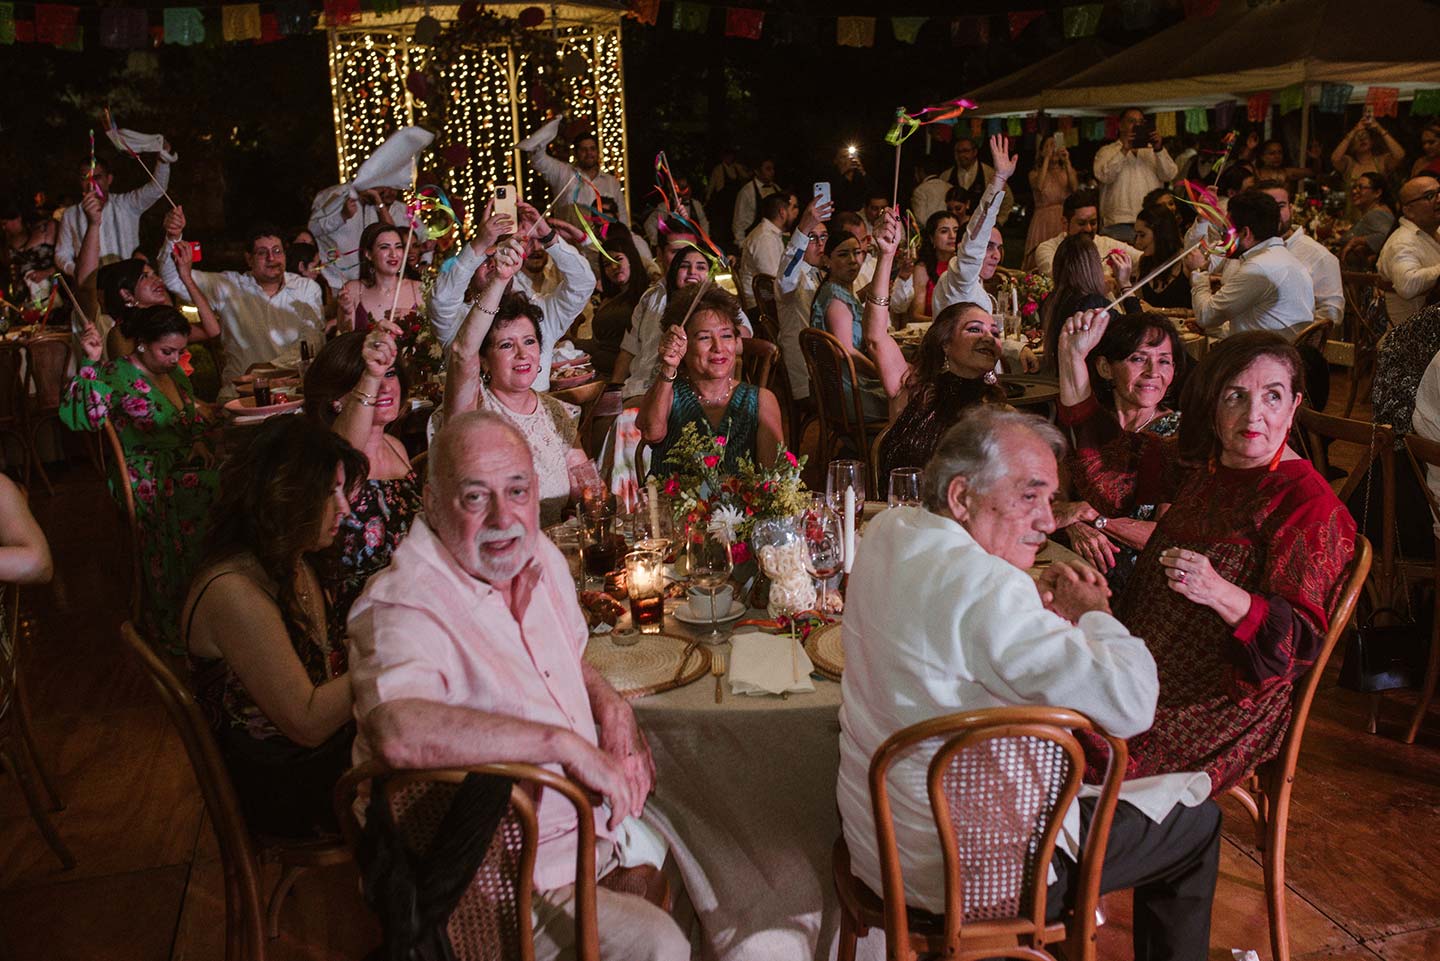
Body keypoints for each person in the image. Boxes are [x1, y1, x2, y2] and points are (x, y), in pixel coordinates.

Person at [839, 404, 1219, 958]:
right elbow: (1133, 704)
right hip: (966, 876)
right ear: (962, 497)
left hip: (879, 847)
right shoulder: (991, 589)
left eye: (1049, 498)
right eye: (1029, 496)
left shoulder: (888, 530)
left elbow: (964, 631)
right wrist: (1095, 614)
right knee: (1198, 822)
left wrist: (1033, 622)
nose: (1048, 519)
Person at [348, 412, 690, 961]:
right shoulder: (401, 606)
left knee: (709, 847)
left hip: (589, 833)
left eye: (518, 490)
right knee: (661, 947)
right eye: (475, 498)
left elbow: (569, 658)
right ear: (432, 503)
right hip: (499, 881)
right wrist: (561, 743)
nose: (504, 517)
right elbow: (396, 731)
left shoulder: (539, 557)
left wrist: (610, 706)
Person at [1058, 312, 1356, 794]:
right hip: (1142, 667)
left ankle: (1082, 855)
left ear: (1295, 404)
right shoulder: (1207, 464)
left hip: (1211, 704)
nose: (1253, 414)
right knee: (1021, 700)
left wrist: (1221, 592)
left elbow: (1298, 643)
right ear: (1213, 404)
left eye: (1272, 396)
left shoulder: (1308, 504)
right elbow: (1109, 476)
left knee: (1057, 745)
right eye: (1236, 395)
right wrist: (1071, 358)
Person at [184, 416, 364, 838]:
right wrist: (392, 659)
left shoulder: (294, 557)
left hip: (319, 757)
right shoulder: (234, 591)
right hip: (286, 787)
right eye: (329, 492)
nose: (345, 507)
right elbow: (308, 723)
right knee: (446, 771)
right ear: (286, 497)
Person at [63, 305, 218, 653]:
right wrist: (90, 361)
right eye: (167, 351)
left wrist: (197, 441)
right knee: (218, 490)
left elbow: (188, 417)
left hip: (180, 464)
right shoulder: (115, 374)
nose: (174, 359)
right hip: (143, 474)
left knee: (236, 479)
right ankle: (184, 614)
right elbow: (82, 416)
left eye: (180, 351)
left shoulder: (173, 371)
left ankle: (219, 601)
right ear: (143, 344)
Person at [444, 241, 592, 525]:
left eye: (529, 341)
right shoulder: (473, 408)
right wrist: (500, 279)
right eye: (506, 346)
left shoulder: (556, 412)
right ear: (484, 361)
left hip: (552, 547)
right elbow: (463, 351)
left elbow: (584, 485)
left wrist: (601, 501)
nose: (523, 354)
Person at [303, 329, 422, 642]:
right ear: (336, 399)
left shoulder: (396, 446)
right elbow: (347, 455)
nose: (385, 384)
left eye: (391, 373)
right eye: (368, 376)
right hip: (361, 624)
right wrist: (371, 374)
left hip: (412, 608)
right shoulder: (328, 459)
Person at [1056, 313, 1185, 592]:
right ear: (1105, 367)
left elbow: (1164, 538)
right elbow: (1055, 498)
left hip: (1141, 579)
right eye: (1138, 359)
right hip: (1072, 559)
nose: (1153, 372)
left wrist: (1092, 517)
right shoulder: (1089, 426)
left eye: (1164, 361)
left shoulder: (1178, 437)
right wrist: (1073, 524)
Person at [159, 209, 325, 398]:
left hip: (293, 392)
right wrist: (173, 237)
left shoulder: (307, 289)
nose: (272, 258)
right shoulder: (229, 285)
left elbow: (313, 341)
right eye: (262, 253)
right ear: (249, 259)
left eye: (277, 251)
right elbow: (173, 280)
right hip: (241, 396)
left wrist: (267, 369)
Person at [639, 285, 783, 474]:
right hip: (668, 502)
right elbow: (651, 434)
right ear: (683, 345)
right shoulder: (669, 394)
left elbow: (774, 479)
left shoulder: (760, 401)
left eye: (726, 336)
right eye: (705, 337)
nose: (718, 347)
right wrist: (668, 367)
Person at [875, 302, 1007, 481]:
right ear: (946, 343)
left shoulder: (998, 414)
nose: (989, 338)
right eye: (975, 329)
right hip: (899, 506)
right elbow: (875, 335)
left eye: (995, 333)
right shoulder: (915, 392)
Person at [809, 210, 909, 421]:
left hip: (852, 387)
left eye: (857, 252)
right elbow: (848, 352)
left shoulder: (838, 289)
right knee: (912, 399)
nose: (853, 260)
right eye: (843, 255)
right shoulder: (836, 299)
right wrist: (882, 372)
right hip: (850, 394)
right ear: (826, 260)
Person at [1185, 190, 1314, 338]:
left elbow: (1206, 316)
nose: (1223, 236)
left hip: (1264, 356)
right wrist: (1212, 329)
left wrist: (1199, 270)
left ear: (1246, 233)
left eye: (1228, 230)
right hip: (1276, 351)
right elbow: (1258, 324)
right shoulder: (1285, 258)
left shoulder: (1258, 267)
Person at [612, 246, 716, 404]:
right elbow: (628, 349)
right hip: (643, 388)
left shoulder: (717, 300)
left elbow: (742, 335)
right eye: (684, 266)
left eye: (700, 267)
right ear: (674, 271)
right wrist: (613, 390)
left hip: (691, 394)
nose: (692, 272)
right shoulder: (651, 297)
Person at [931, 134, 1015, 317]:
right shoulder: (961, 277)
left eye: (999, 248)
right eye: (988, 246)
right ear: (962, 246)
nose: (997, 256)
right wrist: (999, 179)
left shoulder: (974, 282)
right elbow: (974, 243)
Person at [55, 148, 174, 275]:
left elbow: (156, 189)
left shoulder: (126, 204)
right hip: (94, 286)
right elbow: (62, 254)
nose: (91, 184)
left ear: (109, 179)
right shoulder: (70, 215)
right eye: (85, 178)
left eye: (97, 177)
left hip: (128, 280)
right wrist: (78, 272)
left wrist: (163, 158)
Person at [1254, 181, 1343, 324]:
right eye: (1265, 207)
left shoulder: (1318, 255)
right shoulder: (1247, 247)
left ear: (1291, 209)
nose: (1273, 213)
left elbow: (1331, 315)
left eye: (1280, 206)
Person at [519, 118, 629, 226]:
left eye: (592, 149)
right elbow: (537, 159)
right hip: (569, 240)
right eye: (583, 150)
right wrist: (548, 131)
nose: (589, 153)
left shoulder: (611, 182)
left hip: (604, 240)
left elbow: (622, 217)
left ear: (597, 152)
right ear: (576, 153)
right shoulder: (562, 172)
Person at [1093, 109, 1179, 244]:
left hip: (1152, 222)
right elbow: (1104, 176)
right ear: (1120, 125)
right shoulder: (1107, 151)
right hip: (1119, 224)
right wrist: (1124, 150)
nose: (1136, 126)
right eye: (1132, 121)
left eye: (1140, 122)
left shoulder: (1152, 151)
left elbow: (1170, 175)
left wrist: (1158, 149)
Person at [776, 198, 832, 401]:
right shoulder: (793, 277)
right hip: (807, 374)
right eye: (812, 238)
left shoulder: (824, 275)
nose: (820, 244)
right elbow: (785, 276)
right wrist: (803, 228)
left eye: (824, 237)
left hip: (829, 365)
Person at [1038, 235, 1113, 372]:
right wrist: (1125, 284)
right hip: (1090, 385)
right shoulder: (1095, 304)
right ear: (1094, 267)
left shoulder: (1049, 302)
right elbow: (1139, 337)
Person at [1027, 189, 1141, 278]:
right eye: (1081, 223)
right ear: (1065, 223)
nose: (1088, 229)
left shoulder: (1106, 243)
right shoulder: (1047, 248)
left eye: (1093, 223)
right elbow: (1060, 277)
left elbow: (1142, 260)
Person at [335, 222, 424, 334]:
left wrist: (414, 316)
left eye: (398, 247)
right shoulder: (353, 289)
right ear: (368, 254)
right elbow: (344, 339)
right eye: (384, 247)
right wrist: (346, 312)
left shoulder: (418, 289)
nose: (394, 254)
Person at [584, 227, 649, 378]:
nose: (614, 267)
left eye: (618, 259)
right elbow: (598, 344)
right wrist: (570, 341)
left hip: (626, 377)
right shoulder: (608, 299)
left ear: (631, 259)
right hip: (599, 373)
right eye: (607, 264)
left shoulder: (646, 296)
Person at [1376, 175, 1440, 328]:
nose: (1439, 199)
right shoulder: (1402, 242)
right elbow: (1407, 285)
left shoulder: (1435, 231)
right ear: (1408, 210)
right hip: (1412, 342)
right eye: (1430, 196)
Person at [1113, 204, 1192, 310]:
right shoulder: (1144, 262)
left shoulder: (1187, 262)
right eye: (1136, 235)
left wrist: (1157, 311)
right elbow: (1139, 306)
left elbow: (1200, 314)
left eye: (1142, 235)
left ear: (1161, 233)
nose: (1138, 242)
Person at [736, 191, 798, 315]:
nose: (797, 212)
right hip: (760, 307)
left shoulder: (771, 234)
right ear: (782, 212)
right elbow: (773, 280)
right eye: (794, 208)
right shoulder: (765, 237)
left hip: (769, 300)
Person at [1331, 116, 1405, 216]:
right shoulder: (1349, 163)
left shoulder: (1380, 161)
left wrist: (1379, 128)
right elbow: (1335, 159)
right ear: (1351, 144)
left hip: (1378, 216)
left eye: (1365, 136)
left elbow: (1399, 155)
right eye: (1358, 137)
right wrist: (1354, 130)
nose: (1362, 139)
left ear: (1372, 141)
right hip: (1352, 216)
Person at [939, 136, 1014, 225]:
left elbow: (1007, 199)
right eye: (958, 152)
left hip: (981, 228)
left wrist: (998, 222)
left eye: (966, 151)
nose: (961, 155)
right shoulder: (946, 176)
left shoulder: (990, 174)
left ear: (975, 152)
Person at [1026, 135, 1078, 259]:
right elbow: (1039, 186)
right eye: (1049, 146)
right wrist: (1046, 159)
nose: (1053, 149)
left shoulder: (1067, 171)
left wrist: (1067, 161)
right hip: (1043, 218)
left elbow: (1075, 188)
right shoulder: (1034, 173)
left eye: (1055, 145)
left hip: (1063, 217)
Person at [906, 211, 959, 323]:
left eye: (956, 230)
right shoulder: (922, 268)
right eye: (944, 231)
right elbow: (916, 314)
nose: (952, 236)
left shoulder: (964, 265)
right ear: (931, 238)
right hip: (934, 329)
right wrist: (946, 323)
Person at [1339, 172, 1396, 265]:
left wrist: (1356, 241)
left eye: (1361, 187)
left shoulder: (1377, 214)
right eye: (1354, 187)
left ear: (1377, 193)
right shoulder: (1373, 213)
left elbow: (1387, 237)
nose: (1354, 191)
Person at [730, 157, 781, 251]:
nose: (772, 172)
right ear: (757, 171)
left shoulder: (776, 189)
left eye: (773, 169)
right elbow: (739, 222)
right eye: (768, 169)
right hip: (754, 244)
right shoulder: (747, 191)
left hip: (774, 243)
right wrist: (742, 245)